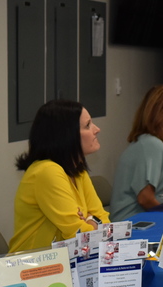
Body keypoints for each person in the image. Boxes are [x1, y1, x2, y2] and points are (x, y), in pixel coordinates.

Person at [7, 100, 109, 252]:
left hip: (64, 264)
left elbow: (105, 221)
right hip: (33, 269)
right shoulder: (47, 172)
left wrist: (88, 220)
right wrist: (90, 221)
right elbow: (79, 236)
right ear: (67, 135)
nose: (97, 129)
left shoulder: (77, 169)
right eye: (87, 125)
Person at [110, 85, 163, 220]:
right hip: (131, 222)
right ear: (157, 114)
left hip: (144, 220)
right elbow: (145, 199)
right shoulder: (151, 144)